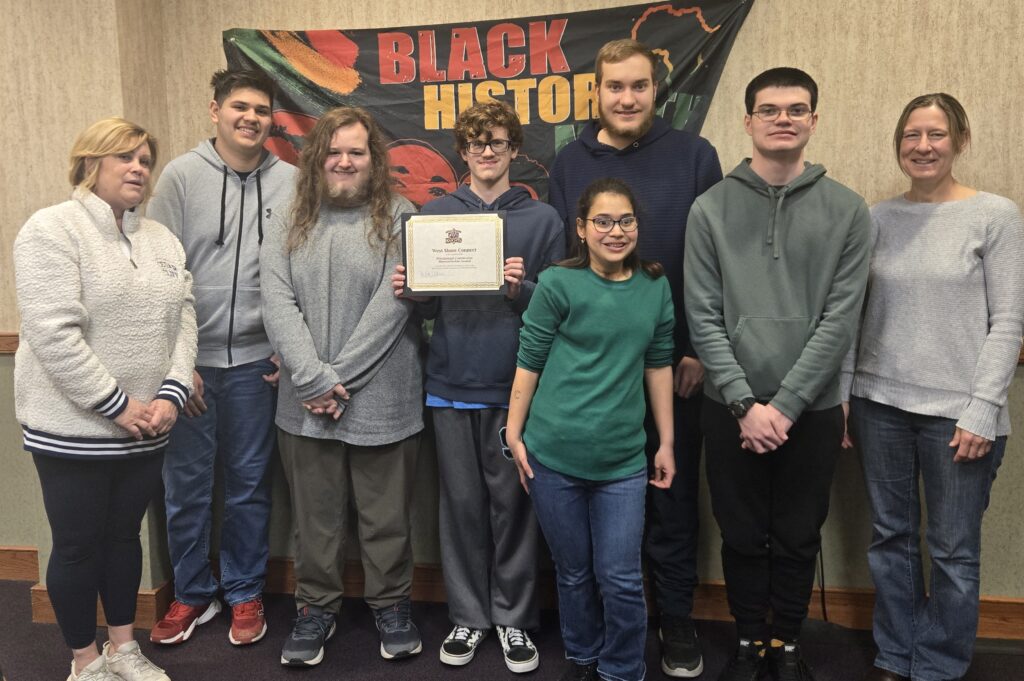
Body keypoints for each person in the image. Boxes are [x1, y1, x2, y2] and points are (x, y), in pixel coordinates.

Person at [683, 68, 871, 681]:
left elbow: (840, 319)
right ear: (748, 121)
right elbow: (703, 314)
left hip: (810, 410)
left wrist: (786, 405)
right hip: (728, 404)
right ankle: (748, 641)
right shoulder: (709, 208)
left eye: (796, 109)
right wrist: (744, 402)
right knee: (739, 534)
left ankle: (786, 643)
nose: (783, 118)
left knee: (796, 534)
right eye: (769, 109)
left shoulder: (848, 210)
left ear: (814, 120)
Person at [548, 39, 722, 678]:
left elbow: (713, 261)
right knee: (590, 514)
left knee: (671, 501)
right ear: (596, 91)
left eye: (639, 86)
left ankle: (675, 622)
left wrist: (698, 347)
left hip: (673, 369)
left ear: (657, 91)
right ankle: (593, 632)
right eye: (614, 86)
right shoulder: (568, 161)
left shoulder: (695, 156)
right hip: (592, 379)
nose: (626, 98)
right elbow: (563, 270)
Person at [843, 93, 1024, 681]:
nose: (923, 146)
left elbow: (1010, 322)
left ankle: (940, 664)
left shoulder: (995, 215)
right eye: (912, 135)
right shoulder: (877, 218)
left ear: (960, 141)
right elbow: (854, 314)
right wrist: (845, 394)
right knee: (889, 538)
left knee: (951, 550)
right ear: (899, 144)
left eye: (937, 135)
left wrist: (981, 410)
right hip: (879, 406)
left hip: (959, 415)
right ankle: (897, 654)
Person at [14, 118, 197, 681]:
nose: (139, 168)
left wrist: (171, 391)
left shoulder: (161, 238)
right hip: (74, 429)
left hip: (150, 425)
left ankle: (123, 649)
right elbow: (53, 333)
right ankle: (85, 662)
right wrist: (117, 404)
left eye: (145, 158)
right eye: (125, 157)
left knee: (123, 540)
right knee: (76, 547)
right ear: (91, 163)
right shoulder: (51, 230)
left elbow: (184, 316)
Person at [391, 100, 564, 674]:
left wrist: (523, 288)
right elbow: (426, 303)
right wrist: (413, 292)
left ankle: (514, 620)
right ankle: (468, 616)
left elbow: (562, 304)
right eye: (475, 143)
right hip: (448, 381)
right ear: (462, 152)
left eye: (497, 141)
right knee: (461, 506)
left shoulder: (544, 220)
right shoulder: (433, 215)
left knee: (514, 507)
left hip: (517, 388)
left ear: (515, 149)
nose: (486, 152)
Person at [260, 106, 424, 668]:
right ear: (317, 159)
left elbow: (394, 305)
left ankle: (391, 605)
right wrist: (312, 378)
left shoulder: (401, 215)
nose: (345, 161)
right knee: (316, 518)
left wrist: (336, 379)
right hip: (305, 402)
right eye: (335, 151)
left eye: (356, 151)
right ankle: (316, 609)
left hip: (383, 396)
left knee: (387, 518)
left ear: (372, 159)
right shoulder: (288, 217)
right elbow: (276, 300)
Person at [506, 177, 676, 681]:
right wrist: (513, 435)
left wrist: (666, 442)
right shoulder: (558, 282)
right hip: (552, 455)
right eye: (602, 221)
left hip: (622, 461)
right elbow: (530, 359)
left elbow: (659, 363)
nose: (615, 231)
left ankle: (622, 668)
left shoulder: (653, 284)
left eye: (625, 220)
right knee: (574, 572)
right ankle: (582, 655)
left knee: (620, 577)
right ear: (581, 229)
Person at [147, 68, 295, 648]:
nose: (251, 118)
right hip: (192, 364)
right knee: (184, 485)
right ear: (215, 111)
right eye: (240, 106)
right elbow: (158, 275)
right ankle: (190, 592)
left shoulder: (291, 181)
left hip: (258, 363)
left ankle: (244, 592)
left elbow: (299, 271)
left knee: (249, 485)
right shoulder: (181, 176)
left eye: (261, 110)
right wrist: (177, 365)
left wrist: (287, 348)